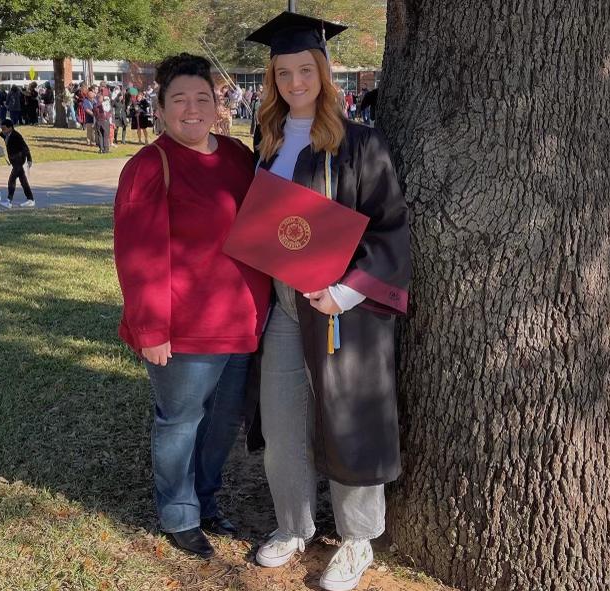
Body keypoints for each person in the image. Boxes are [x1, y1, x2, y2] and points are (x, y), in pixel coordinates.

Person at [245, 13, 411, 591]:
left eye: (305, 69)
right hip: (283, 308)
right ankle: (293, 527)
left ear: (323, 70)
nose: (295, 82)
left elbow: (390, 229)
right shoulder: (265, 143)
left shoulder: (358, 142)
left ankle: (358, 540)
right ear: (272, 79)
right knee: (283, 419)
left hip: (341, 306)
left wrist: (346, 291)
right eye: (283, 72)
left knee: (348, 416)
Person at [113, 53, 271, 560]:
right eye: (179, 99)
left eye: (203, 97)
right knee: (180, 422)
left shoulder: (236, 157)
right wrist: (151, 328)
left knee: (222, 423)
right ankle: (178, 514)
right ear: (159, 107)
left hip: (241, 322)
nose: (192, 108)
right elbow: (138, 255)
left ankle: (205, 500)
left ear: (218, 104)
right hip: (183, 329)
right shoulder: (148, 166)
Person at [0, 118, 35, 208]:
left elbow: (25, 147)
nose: (3, 131)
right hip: (14, 161)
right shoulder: (8, 135)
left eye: (4, 129)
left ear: (10, 128)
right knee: (23, 180)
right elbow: (2, 135)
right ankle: (30, 199)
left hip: (19, 159)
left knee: (11, 180)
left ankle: (9, 200)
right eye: (2, 129)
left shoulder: (16, 136)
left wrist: (29, 159)